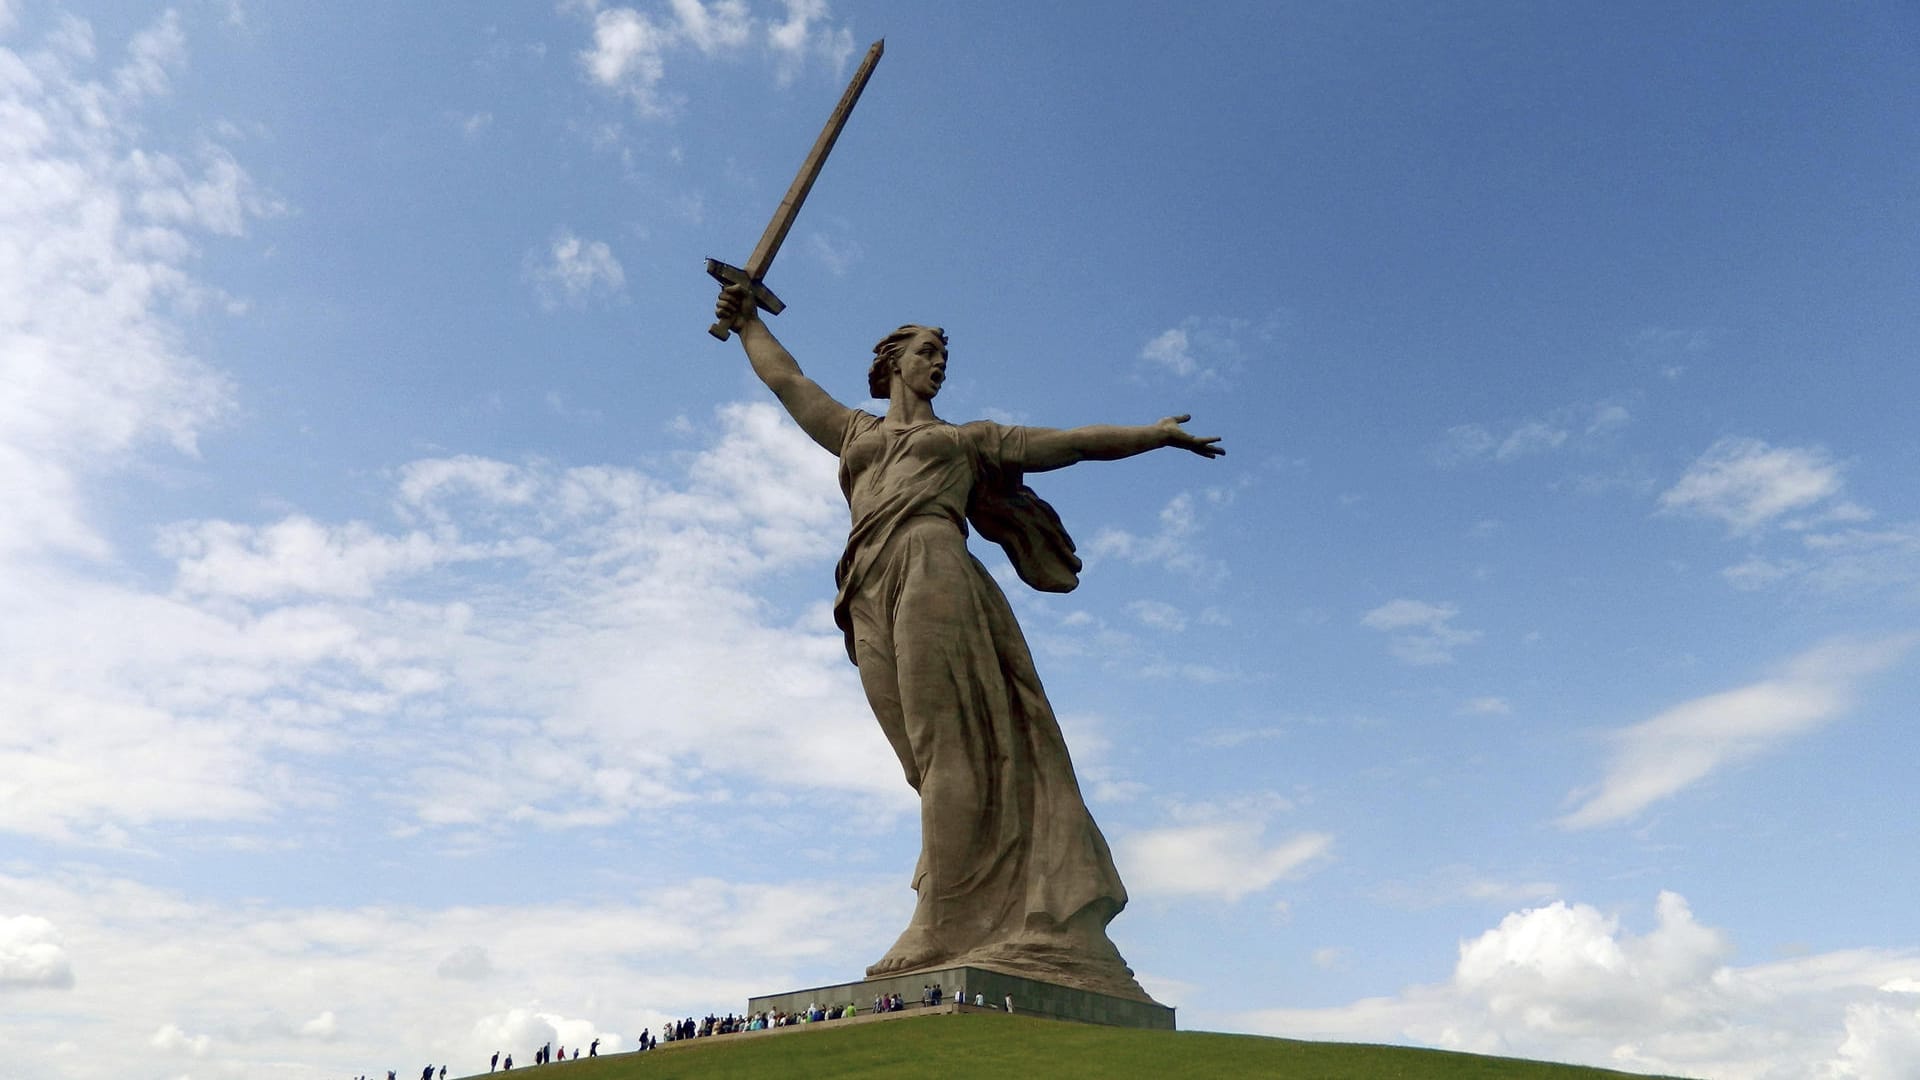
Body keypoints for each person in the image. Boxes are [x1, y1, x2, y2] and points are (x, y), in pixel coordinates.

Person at [713, 286, 1222, 998]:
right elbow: (787, 380)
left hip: (933, 567)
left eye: (944, 356)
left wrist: (1154, 434)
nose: (940, 364)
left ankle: (940, 922)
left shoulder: (964, 440)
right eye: (928, 352)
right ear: (892, 363)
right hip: (864, 588)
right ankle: (974, 897)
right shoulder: (856, 433)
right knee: (923, 760)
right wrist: (746, 323)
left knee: (946, 745)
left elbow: (1069, 445)